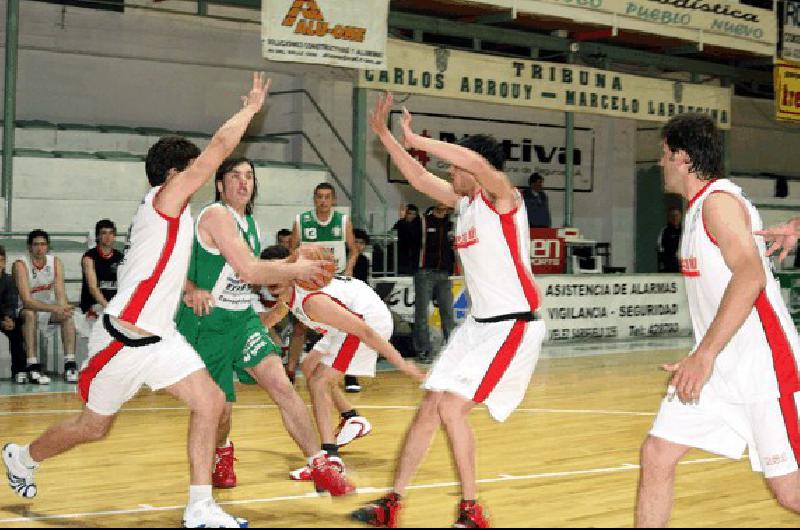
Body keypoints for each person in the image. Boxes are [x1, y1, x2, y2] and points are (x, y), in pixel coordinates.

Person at [1, 73, 326, 528]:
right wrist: (251, 109)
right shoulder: (163, 199)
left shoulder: (185, 215)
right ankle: (22, 456)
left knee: (211, 403)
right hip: (121, 340)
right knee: (93, 428)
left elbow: (227, 267)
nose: (204, 173)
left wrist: (197, 287)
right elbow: (217, 148)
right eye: (194, 168)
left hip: (160, 339)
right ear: (175, 175)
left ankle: (199, 506)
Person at [352, 93, 546, 528]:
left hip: (512, 326)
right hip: (479, 327)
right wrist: (386, 136)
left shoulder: (504, 198)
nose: (449, 172)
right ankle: (392, 503)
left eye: (457, 166)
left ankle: (472, 510)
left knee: (452, 408)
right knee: (430, 407)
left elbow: (475, 166)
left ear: (476, 168)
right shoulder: (466, 204)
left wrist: (418, 136)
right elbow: (419, 177)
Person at [635, 113, 800, 528]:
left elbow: (751, 276)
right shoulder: (699, 209)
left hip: (763, 368)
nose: (660, 163)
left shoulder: (717, 203)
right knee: (657, 453)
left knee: (791, 492)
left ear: (684, 158)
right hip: (718, 368)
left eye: (664, 154)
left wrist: (704, 354)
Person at [175, 157, 350, 496]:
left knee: (281, 385)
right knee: (220, 410)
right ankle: (222, 450)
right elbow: (250, 272)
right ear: (220, 185)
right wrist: (296, 270)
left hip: (242, 319)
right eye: (235, 176)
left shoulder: (250, 223)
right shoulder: (214, 216)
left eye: (249, 177)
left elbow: (254, 271)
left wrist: (292, 261)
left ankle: (320, 465)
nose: (244, 182)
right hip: (207, 324)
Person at [261, 245, 425, 483]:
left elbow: (364, 330)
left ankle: (330, 458)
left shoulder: (313, 301)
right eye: (268, 275)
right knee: (309, 368)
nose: (272, 281)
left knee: (319, 382)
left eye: (277, 274)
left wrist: (400, 362)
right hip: (347, 317)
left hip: (366, 321)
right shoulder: (291, 290)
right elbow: (272, 317)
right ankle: (351, 418)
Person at [287, 182, 359, 388]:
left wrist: (349, 269)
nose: (324, 201)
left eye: (328, 197)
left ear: (334, 200)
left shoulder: (343, 221)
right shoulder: (302, 221)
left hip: (336, 280)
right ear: (314, 199)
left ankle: (349, 373)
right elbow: (293, 252)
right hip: (310, 282)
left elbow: (353, 250)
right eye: (320, 196)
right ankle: (290, 370)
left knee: (346, 325)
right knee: (300, 326)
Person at [12, 229, 77, 384]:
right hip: (23, 310)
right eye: (35, 244)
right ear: (29, 247)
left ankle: (70, 365)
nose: (39, 248)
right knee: (30, 314)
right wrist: (54, 308)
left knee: (67, 316)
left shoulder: (55, 262)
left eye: (43, 244)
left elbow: (60, 294)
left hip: (47, 310)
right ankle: (32, 365)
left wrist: (62, 308)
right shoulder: (20, 264)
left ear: (48, 246)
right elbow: (27, 301)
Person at [414, 202, 456, 362]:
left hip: (444, 273)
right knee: (422, 314)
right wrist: (405, 222)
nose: (442, 203)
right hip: (424, 272)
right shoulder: (423, 220)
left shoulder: (451, 223)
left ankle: (452, 349)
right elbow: (408, 239)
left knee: (448, 313)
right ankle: (423, 350)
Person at [80, 219, 124, 319]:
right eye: (104, 233)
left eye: (111, 233)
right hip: (95, 306)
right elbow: (93, 288)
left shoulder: (120, 257)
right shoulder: (89, 257)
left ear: (114, 236)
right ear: (97, 236)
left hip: (114, 306)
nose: (108, 237)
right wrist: (109, 308)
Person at [0, 246, 27, 384]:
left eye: (1, 261)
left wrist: (8, 318)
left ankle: (19, 370)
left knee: (17, 329)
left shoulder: (9, 280)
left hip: (3, 316)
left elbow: (12, 302)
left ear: (4, 262)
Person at [392, 204, 422, 276]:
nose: (412, 216)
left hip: (415, 256)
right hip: (402, 255)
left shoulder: (420, 225)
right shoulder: (400, 223)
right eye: (409, 214)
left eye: (414, 214)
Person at [656, 208, 682, 273]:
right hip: (668, 267)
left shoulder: (685, 231)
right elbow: (660, 249)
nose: (675, 218)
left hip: (683, 267)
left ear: (680, 216)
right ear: (669, 217)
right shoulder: (664, 231)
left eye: (677, 215)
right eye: (672, 215)